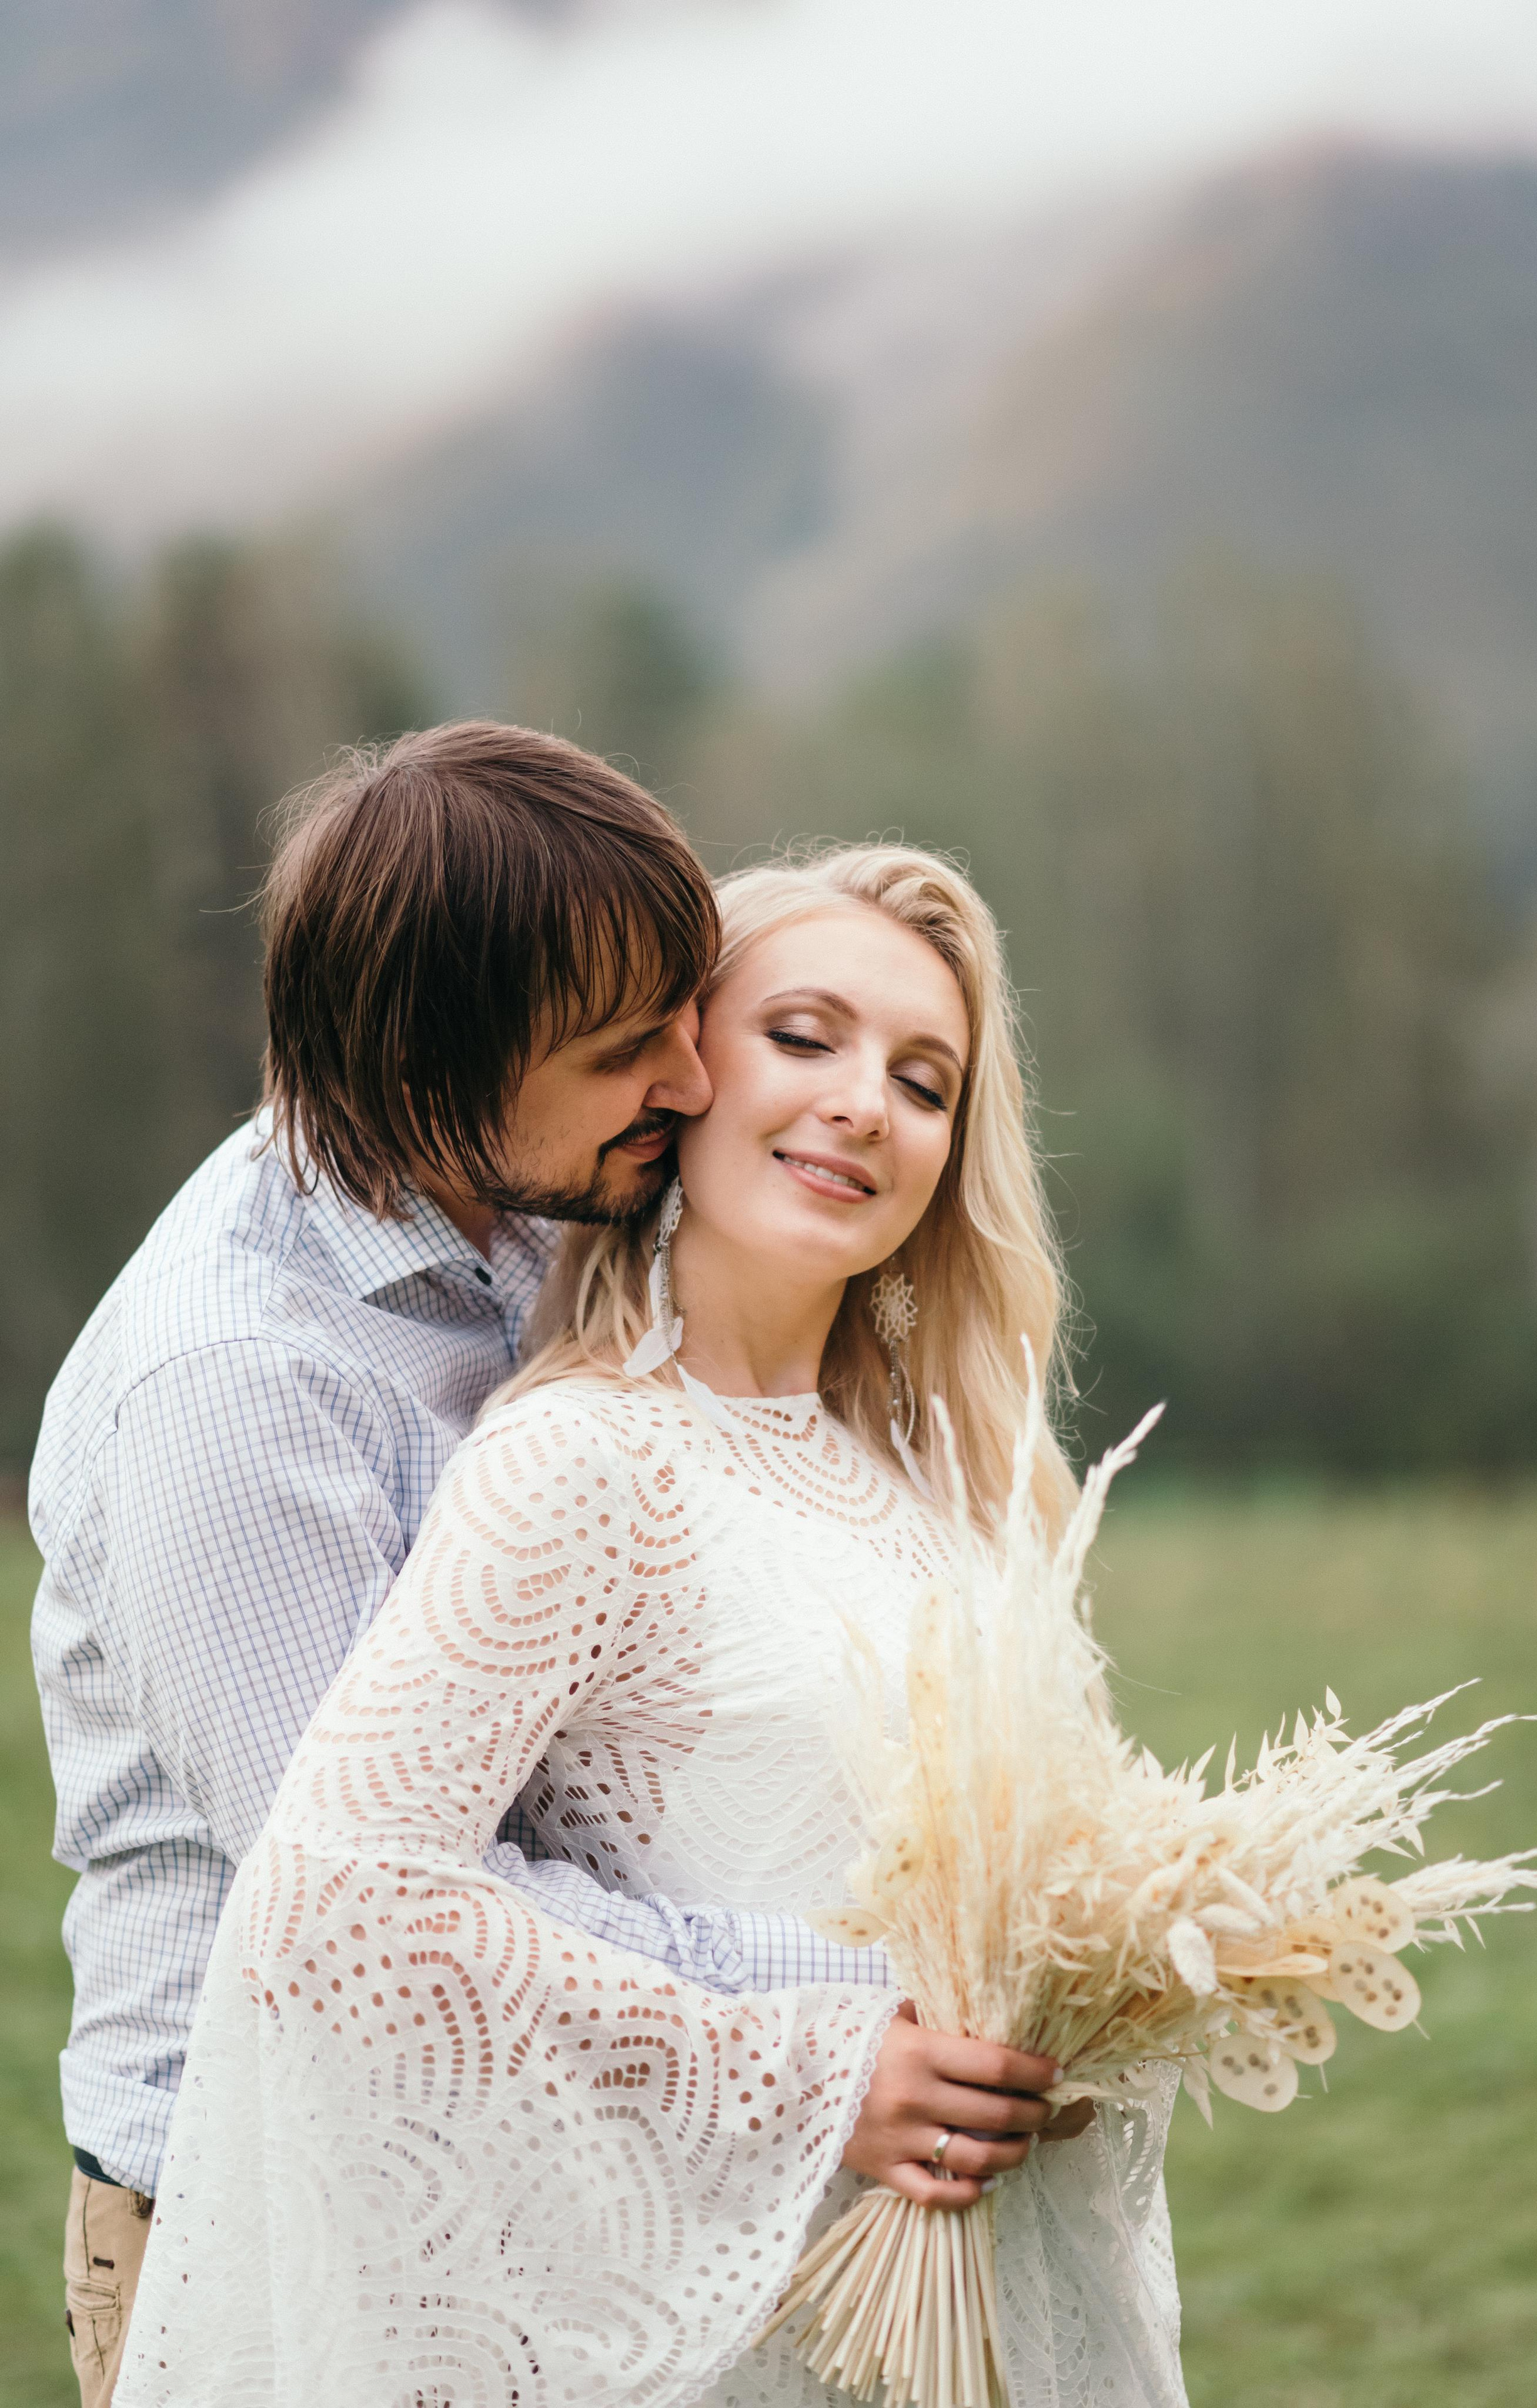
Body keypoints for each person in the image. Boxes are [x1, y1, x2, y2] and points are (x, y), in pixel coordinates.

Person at [113, 843, 1186, 2408]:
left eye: (925, 1081)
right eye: (803, 1037)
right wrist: (821, 2074)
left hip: (988, 2295)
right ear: (683, 1076)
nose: (863, 1105)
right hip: (723, 2322)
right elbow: (340, 1902)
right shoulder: (576, 1460)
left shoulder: (956, 1468)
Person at [31, 725, 937, 2408]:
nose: (687, 1082)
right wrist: (849, 2017)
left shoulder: (531, 1195)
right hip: (267, 2206)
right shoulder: (230, 1396)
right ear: (422, 1072)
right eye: (620, 1052)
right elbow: (383, 1906)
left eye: (686, 1013)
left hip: (528, 2145)